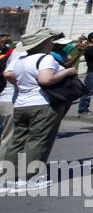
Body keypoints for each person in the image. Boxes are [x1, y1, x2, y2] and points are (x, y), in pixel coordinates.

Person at [2, 29, 81, 190]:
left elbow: (9, 75)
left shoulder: (20, 60)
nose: (52, 43)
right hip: (41, 104)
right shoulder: (45, 59)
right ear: (44, 43)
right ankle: (28, 179)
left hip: (21, 104)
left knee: (17, 140)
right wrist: (68, 71)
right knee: (38, 141)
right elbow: (46, 79)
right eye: (49, 41)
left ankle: (9, 178)